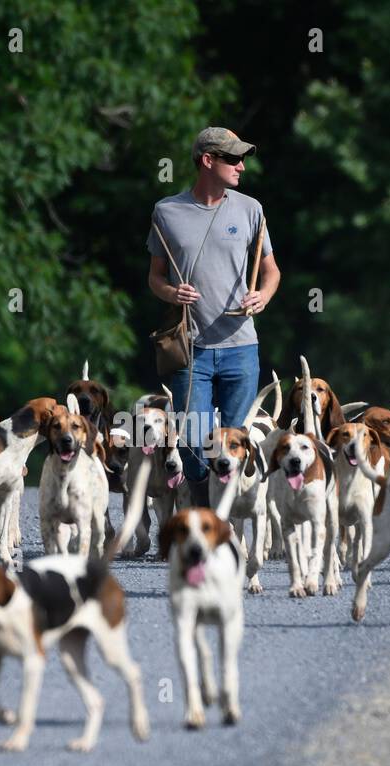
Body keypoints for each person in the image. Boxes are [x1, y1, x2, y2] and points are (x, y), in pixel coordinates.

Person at [147, 127, 281, 507]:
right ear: (208, 161)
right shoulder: (166, 211)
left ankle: (222, 527)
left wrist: (263, 296)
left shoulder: (251, 209)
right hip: (191, 349)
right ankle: (205, 509)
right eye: (233, 158)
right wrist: (172, 291)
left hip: (241, 345)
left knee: (235, 440)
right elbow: (154, 277)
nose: (241, 166)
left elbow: (272, 272)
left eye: (242, 159)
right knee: (193, 442)